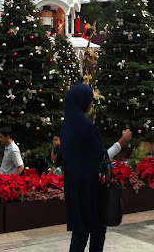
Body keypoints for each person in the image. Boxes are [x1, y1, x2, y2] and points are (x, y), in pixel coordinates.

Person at [60, 83, 132, 252]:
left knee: (80, 230)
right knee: (96, 229)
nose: (91, 104)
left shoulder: (66, 125)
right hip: (89, 187)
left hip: (73, 185)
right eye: (90, 100)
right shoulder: (86, 126)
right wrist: (123, 142)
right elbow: (102, 157)